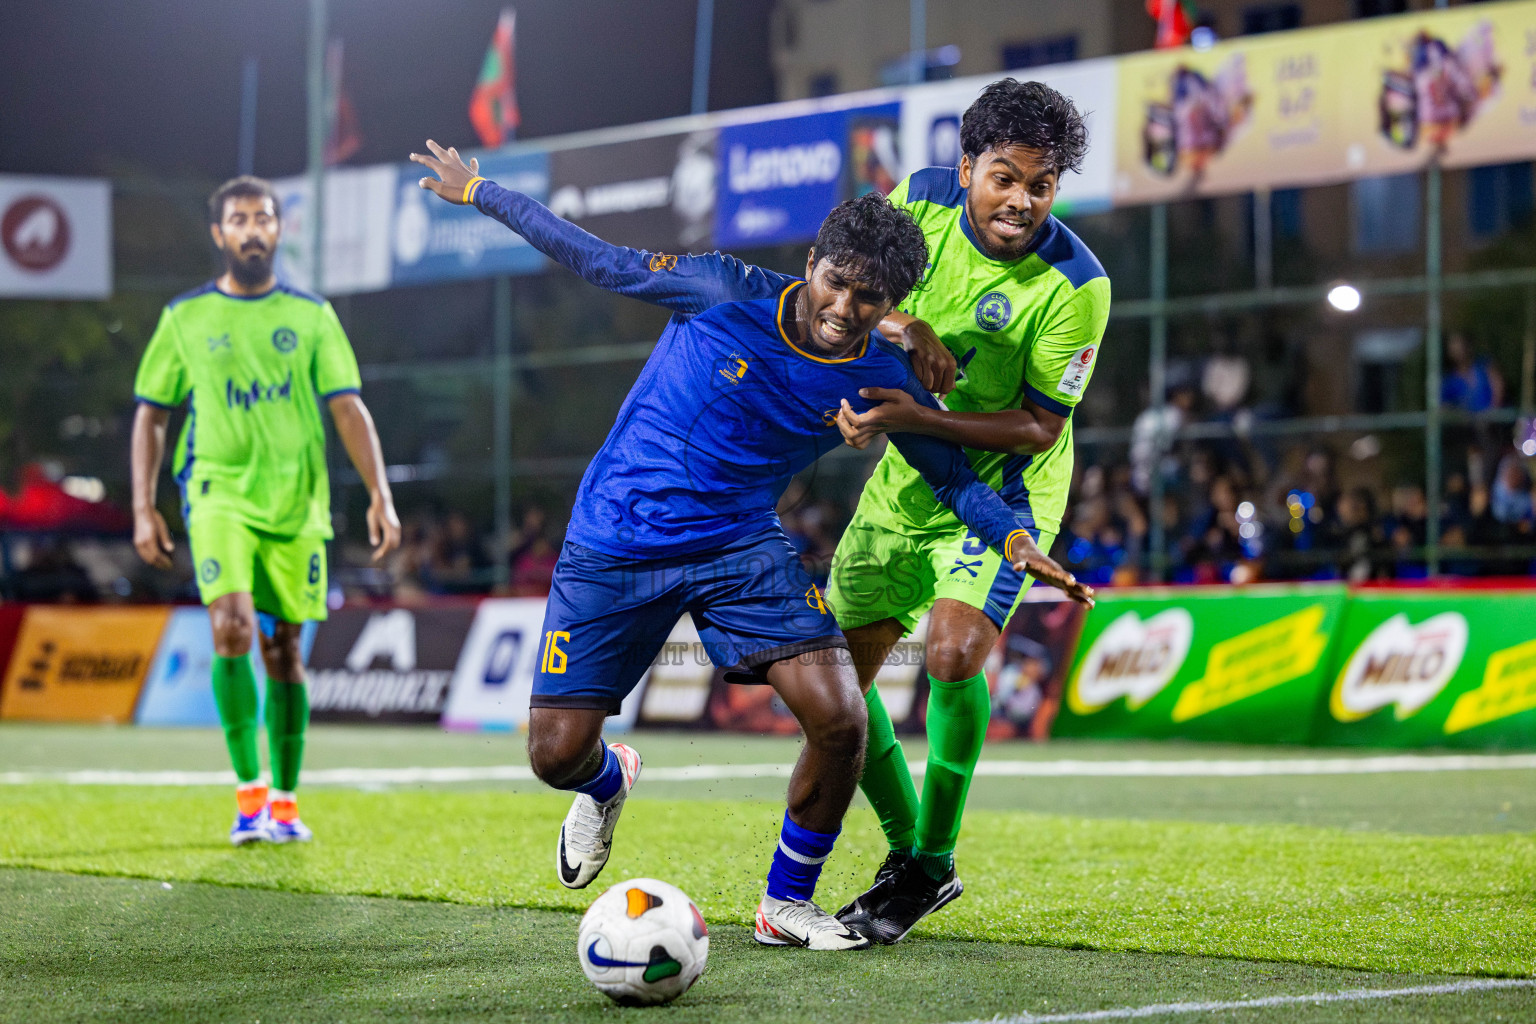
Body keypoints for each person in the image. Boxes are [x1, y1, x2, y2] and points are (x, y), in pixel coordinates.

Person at [412, 140, 1093, 951]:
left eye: (871, 298)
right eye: (836, 282)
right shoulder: (716, 288)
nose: (846, 307)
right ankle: (606, 780)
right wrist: (484, 192)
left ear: (896, 306)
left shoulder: (879, 375)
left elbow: (953, 477)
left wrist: (1014, 539)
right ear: (812, 263)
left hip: (740, 547)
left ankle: (785, 902)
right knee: (555, 756)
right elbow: (592, 257)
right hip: (616, 539)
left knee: (841, 717)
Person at [823, 79, 1111, 944]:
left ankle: (932, 858)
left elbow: (1037, 424)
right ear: (965, 169)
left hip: (1008, 482)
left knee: (950, 654)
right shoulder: (917, 199)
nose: (1021, 200)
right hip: (912, 471)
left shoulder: (1076, 286)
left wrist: (917, 415)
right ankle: (915, 854)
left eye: (1042, 184)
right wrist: (907, 328)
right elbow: (854, 301)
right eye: (1005, 177)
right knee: (839, 680)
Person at [131, 176, 401, 845]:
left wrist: (380, 494)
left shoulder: (312, 316)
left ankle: (284, 799)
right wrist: (143, 506)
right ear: (220, 235)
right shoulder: (185, 318)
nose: (253, 230)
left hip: (297, 505)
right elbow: (151, 416)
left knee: (283, 652)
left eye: (264, 217)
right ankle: (248, 794)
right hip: (217, 491)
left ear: (279, 230)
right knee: (230, 626)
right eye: (239, 220)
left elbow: (347, 407)